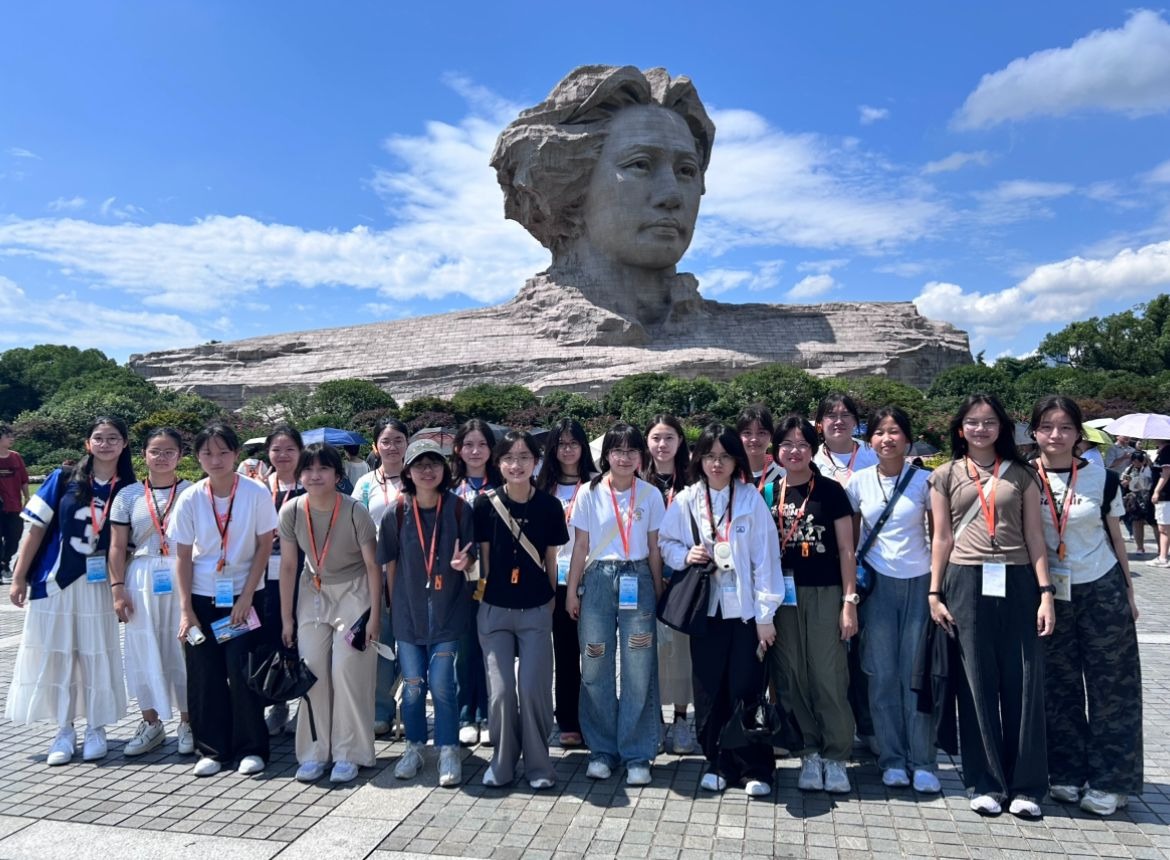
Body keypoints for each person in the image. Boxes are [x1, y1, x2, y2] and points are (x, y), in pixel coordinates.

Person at [490, 65, 713, 325]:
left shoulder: (755, 329)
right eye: (640, 164)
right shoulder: (474, 340)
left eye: (686, 171)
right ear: (573, 186)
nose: (672, 196)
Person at [928, 394, 1055, 819]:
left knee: (1023, 682)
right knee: (975, 683)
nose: (980, 429)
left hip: (1017, 580)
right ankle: (985, 782)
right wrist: (934, 593)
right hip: (965, 580)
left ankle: (1027, 786)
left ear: (1002, 427)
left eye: (989, 422)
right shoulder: (945, 475)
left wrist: (1046, 593)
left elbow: (1035, 537)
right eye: (972, 422)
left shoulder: (1022, 474)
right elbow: (942, 538)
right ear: (960, 429)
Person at [1029, 397, 1142, 817]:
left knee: (1112, 687)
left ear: (1079, 433)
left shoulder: (1102, 479)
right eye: (1046, 426)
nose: (1055, 435)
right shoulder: (1024, 477)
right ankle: (1066, 772)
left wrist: (1129, 592)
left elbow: (1115, 538)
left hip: (1100, 586)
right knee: (1057, 686)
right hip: (1049, 594)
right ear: (1034, 432)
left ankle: (1112, 780)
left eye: (1065, 427)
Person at [658, 423, 781, 797]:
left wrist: (765, 616)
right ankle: (717, 761)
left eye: (725, 456)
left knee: (747, 686)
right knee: (709, 688)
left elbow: (766, 559)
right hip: (706, 609)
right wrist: (685, 555)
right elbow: (665, 542)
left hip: (745, 611)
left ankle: (754, 767)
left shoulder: (749, 499)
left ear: (736, 460)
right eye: (710, 456)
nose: (717, 463)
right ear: (698, 459)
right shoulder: (687, 500)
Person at [5, 416, 134, 765]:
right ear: (87, 443)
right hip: (55, 580)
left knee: (95, 654)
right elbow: (34, 530)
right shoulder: (63, 478)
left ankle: (96, 727)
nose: (105, 444)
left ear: (124, 444)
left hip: (99, 586)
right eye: (98, 437)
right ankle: (64, 729)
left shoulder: (129, 488)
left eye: (113, 438)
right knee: (58, 655)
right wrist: (18, 577)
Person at [170, 423, 279, 777]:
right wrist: (185, 609)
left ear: (236, 454)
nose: (215, 460)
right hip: (203, 598)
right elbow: (182, 556)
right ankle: (212, 749)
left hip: (244, 598)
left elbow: (264, 545)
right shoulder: (190, 497)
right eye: (207, 453)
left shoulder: (254, 492)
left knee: (242, 670)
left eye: (223, 452)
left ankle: (252, 747)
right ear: (197, 457)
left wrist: (246, 596)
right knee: (205, 675)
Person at [844, 407, 939, 793]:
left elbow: (939, 537)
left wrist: (937, 589)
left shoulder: (926, 481)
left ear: (908, 439)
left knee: (916, 674)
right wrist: (850, 595)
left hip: (919, 582)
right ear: (870, 441)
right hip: (877, 586)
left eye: (895, 431)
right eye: (880, 432)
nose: (887, 439)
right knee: (881, 675)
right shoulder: (858, 483)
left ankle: (924, 760)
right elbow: (850, 545)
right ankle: (893, 758)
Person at [566, 423, 666, 786]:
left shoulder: (651, 494)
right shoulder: (588, 492)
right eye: (617, 450)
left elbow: (654, 548)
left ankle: (638, 753)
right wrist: (571, 591)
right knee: (595, 663)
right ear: (606, 454)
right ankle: (602, 750)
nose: (624, 458)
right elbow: (580, 545)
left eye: (632, 451)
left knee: (639, 667)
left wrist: (658, 591)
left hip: (638, 578)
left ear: (641, 456)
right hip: (597, 581)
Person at [279, 443, 381, 784]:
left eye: (323, 468)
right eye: (308, 469)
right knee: (312, 672)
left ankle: (349, 753)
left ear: (338, 475)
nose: (315, 475)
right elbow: (289, 565)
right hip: (313, 591)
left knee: (347, 671)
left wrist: (376, 618)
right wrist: (287, 618)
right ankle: (313, 753)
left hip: (355, 592)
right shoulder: (292, 510)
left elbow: (373, 566)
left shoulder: (354, 511)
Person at [768, 415, 859, 795]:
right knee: (791, 674)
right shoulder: (768, 492)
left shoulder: (831, 491)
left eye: (802, 444)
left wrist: (849, 602)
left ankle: (836, 755)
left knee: (827, 674)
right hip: (783, 597)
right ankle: (808, 752)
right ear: (777, 450)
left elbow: (847, 550)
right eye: (787, 444)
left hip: (825, 592)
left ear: (813, 449)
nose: (794, 451)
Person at [378, 440, 476, 787]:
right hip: (408, 614)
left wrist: (466, 562)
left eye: (434, 463)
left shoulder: (459, 509)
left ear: (444, 469)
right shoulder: (396, 512)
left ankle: (448, 748)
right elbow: (389, 564)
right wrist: (392, 607)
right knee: (414, 686)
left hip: (449, 610)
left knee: (441, 683)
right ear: (407, 471)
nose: (427, 470)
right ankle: (415, 746)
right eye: (419, 464)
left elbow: (474, 558)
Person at [474, 430, 568, 788]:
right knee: (500, 692)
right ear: (498, 463)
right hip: (494, 609)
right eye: (509, 458)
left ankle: (539, 765)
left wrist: (550, 600)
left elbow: (551, 559)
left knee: (533, 689)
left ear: (536, 462)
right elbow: (483, 560)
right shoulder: (484, 504)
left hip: (535, 608)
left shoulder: (549, 506)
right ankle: (501, 762)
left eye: (524, 457)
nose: (517, 465)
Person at [108, 428, 194, 757]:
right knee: (142, 648)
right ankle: (151, 722)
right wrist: (117, 588)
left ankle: (188, 722)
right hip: (141, 575)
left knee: (182, 649)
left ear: (180, 455)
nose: (161, 457)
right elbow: (117, 546)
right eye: (155, 451)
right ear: (143, 454)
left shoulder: (192, 491)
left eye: (169, 451)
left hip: (182, 572)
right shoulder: (128, 495)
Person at [813, 393, 878, 755]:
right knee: (831, 650)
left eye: (845, 414)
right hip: (824, 566)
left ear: (856, 420)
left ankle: (866, 724)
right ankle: (833, 723)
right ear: (819, 423)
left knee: (866, 649)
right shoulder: (811, 459)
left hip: (870, 564)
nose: (838, 421)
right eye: (830, 415)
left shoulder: (872, 455)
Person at [534, 417, 597, 748]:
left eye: (574, 443)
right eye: (561, 444)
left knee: (597, 653)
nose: (568, 450)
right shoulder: (543, 487)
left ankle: (597, 719)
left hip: (593, 576)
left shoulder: (598, 484)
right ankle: (569, 720)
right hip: (555, 578)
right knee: (566, 651)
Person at [352, 416, 409, 736]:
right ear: (376, 446)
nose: (392, 447)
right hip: (376, 574)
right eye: (385, 441)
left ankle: (411, 708)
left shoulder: (419, 476)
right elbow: (356, 528)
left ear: (407, 443)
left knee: (414, 644)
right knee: (381, 644)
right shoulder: (365, 484)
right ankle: (381, 710)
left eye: (398, 440)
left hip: (413, 574)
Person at [644, 414, 696, 755]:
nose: (662, 445)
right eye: (656, 438)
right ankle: (652, 720)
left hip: (681, 577)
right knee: (645, 652)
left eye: (669, 438)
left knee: (680, 653)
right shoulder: (637, 479)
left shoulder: (693, 481)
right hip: (643, 576)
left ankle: (680, 720)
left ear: (680, 441)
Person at [451, 419, 500, 745]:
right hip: (461, 580)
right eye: (468, 444)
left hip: (497, 578)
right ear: (458, 449)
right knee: (465, 649)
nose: (475, 451)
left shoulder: (502, 484)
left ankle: (488, 713)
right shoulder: (450, 487)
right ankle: (466, 714)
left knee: (492, 649)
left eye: (482, 444)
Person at [260, 424, 306, 736]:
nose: (283, 455)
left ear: (300, 452)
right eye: (277, 449)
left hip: (303, 573)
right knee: (271, 639)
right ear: (268, 453)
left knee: (303, 639)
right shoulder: (258, 488)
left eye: (290, 449)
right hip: (265, 576)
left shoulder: (310, 485)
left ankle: (306, 704)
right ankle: (278, 702)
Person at [0, 423, 30, 584]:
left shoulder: (16, 457)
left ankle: (5, 562)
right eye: (8, 436)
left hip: (14, 505)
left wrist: (27, 497)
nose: (12, 439)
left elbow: (24, 479)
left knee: (14, 537)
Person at [737, 405, 784, 499]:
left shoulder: (783, 475)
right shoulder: (730, 475)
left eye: (761, 433)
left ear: (771, 437)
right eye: (747, 433)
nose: (754, 439)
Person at [1121, 452, 1153, 554]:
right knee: (1136, 522)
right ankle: (1140, 547)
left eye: (1139, 461)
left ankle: (1161, 549)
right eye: (1134, 461)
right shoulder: (1130, 469)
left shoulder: (1149, 468)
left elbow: (1150, 482)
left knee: (1154, 523)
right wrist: (1128, 480)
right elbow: (1123, 483)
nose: (1137, 463)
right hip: (1135, 498)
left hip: (1148, 496)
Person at [1150, 440, 1170, 567]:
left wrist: (1156, 491)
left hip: (1166, 494)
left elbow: (1166, 473)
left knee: (1164, 528)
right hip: (1166, 495)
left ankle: (1163, 558)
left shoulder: (1167, 451)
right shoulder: (1162, 451)